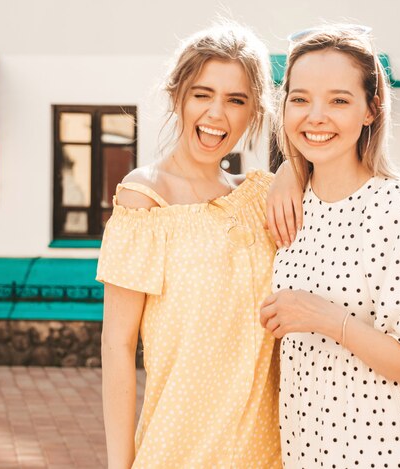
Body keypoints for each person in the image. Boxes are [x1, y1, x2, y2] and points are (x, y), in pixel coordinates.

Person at [260, 24, 400, 468]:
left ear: (370, 110)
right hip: (305, 453)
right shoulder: (292, 201)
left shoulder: (396, 210)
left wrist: (327, 318)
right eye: (299, 99)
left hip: (382, 455)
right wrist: (288, 171)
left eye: (338, 100)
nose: (315, 116)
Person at [96, 21, 282, 468]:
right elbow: (117, 346)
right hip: (179, 449)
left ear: (253, 111)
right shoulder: (144, 199)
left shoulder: (261, 195)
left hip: (268, 450)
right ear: (177, 94)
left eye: (235, 100)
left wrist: (293, 170)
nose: (217, 114)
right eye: (203, 94)